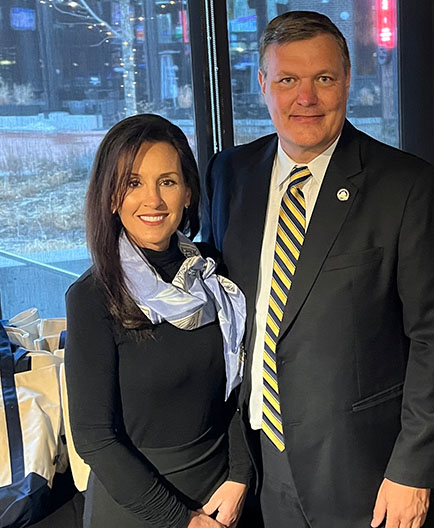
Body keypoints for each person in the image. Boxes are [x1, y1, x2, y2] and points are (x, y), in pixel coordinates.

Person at [200, 11, 434, 528]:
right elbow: (222, 313)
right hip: (255, 460)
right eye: (287, 80)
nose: (306, 98)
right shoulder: (229, 173)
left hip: (363, 470)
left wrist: (413, 469)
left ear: (347, 81)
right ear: (263, 85)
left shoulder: (407, 186)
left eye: (323, 78)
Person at [65, 114, 252, 528]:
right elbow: (94, 439)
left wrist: (240, 475)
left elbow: (239, 389)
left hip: (224, 496)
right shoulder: (92, 298)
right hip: (140, 507)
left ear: (188, 193)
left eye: (167, 181)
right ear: (111, 197)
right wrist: (183, 520)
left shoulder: (213, 274)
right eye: (133, 183)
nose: (153, 200)